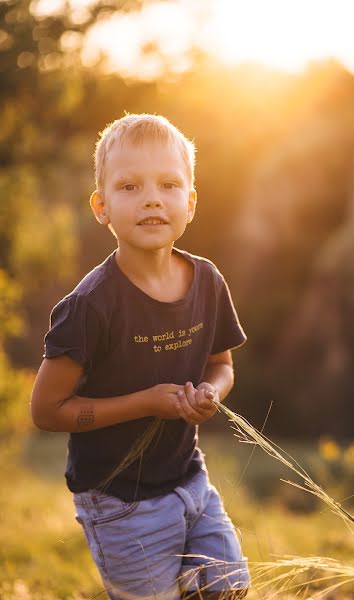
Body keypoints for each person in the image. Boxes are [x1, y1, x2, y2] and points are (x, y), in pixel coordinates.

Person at [31, 113, 250, 600]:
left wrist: (211, 393)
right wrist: (146, 402)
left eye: (169, 184)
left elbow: (222, 365)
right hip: (119, 501)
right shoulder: (89, 307)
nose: (152, 198)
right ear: (101, 205)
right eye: (129, 186)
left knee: (228, 587)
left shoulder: (208, 282)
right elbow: (47, 411)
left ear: (190, 203)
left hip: (190, 478)